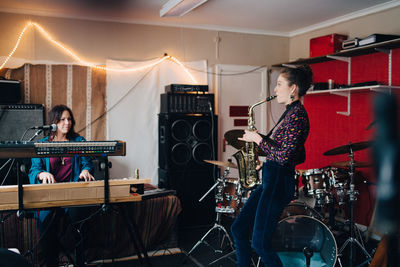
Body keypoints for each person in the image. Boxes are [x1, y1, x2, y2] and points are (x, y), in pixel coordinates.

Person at [231, 65, 313, 267]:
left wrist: (258, 139)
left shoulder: (297, 116)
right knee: (238, 228)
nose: (275, 90)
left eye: (279, 84)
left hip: (278, 183)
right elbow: (293, 153)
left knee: (260, 243)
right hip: (271, 179)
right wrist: (264, 161)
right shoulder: (290, 113)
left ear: (293, 88)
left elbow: (285, 156)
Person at [28, 104, 94, 267]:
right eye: (63, 119)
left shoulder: (79, 141)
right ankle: (51, 262)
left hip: (73, 194)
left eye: (69, 119)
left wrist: (85, 170)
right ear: (54, 122)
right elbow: (34, 169)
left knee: (81, 217)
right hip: (50, 195)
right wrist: (41, 174)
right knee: (45, 220)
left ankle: (80, 261)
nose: (67, 122)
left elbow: (88, 162)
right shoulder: (43, 143)